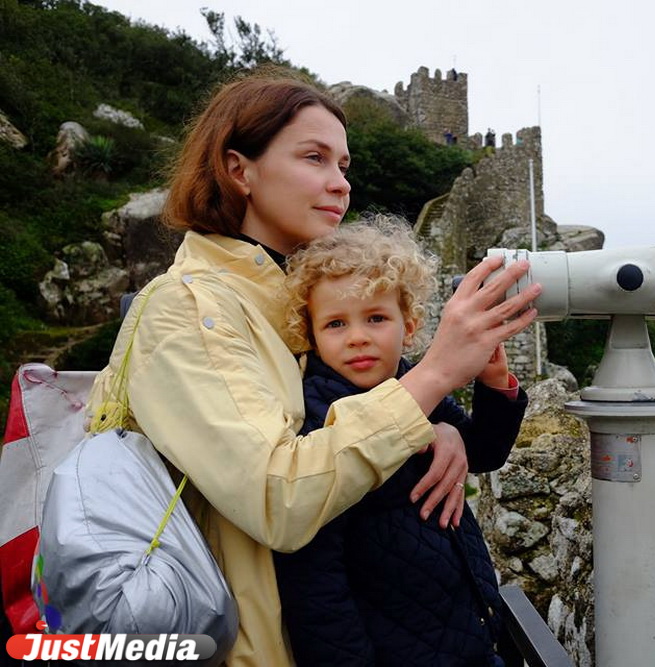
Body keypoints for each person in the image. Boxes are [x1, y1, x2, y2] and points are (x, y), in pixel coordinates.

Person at [84, 66, 540, 666]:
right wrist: (431, 378)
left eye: (343, 166)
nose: (339, 183)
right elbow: (277, 496)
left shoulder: (291, 298)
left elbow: (355, 412)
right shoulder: (188, 307)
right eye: (314, 158)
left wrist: (441, 421)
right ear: (238, 168)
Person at [274, 217, 525, 666]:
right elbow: (317, 589)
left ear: (408, 326)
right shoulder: (317, 419)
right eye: (334, 324)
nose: (357, 337)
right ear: (310, 335)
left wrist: (495, 384)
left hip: (468, 632)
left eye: (376, 318)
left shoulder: (412, 381)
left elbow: (482, 453)